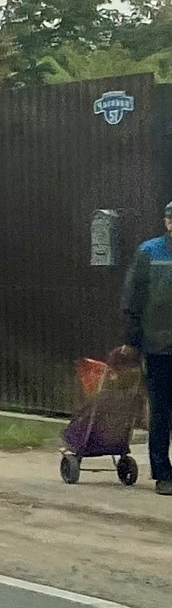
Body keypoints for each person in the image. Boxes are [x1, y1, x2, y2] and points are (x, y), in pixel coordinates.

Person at [122, 200, 172, 493]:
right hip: (158, 346)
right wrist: (132, 340)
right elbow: (133, 299)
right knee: (161, 411)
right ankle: (163, 473)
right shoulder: (149, 252)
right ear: (167, 222)